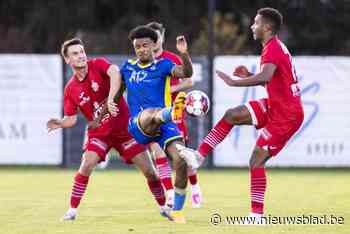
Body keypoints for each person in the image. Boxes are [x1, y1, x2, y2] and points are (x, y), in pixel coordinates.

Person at [181, 7, 304, 223]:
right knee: (232, 115)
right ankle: (199, 156)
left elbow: (266, 75)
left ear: (266, 27)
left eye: (255, 23)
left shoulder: (273, 48)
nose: (252, 26)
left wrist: (235, 82)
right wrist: (249, 75)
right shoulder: (271, 47)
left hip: (287, 114)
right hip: (277, 105)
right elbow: (270, 77)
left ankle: (257, 216)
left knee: (256, 161)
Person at [46, 38, 172, 221]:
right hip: (100, 134)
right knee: (86, 164)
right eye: (75, 53)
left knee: (150, 172)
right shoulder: (70, 89)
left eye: (81, 51)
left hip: (125, 131)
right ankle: (72, 210)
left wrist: (112, 98)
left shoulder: (97, 64)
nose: (81, 55)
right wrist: (60, 123)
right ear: (67, 60)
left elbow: (114, 73)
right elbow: (71, 119)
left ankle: (163, 207)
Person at [107, 26, 198, 223]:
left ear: (154, 45)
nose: (141, 50)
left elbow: (187, 72)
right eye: (137, 47)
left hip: (164, 125)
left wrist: (184, 54)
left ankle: (178, 212)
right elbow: (117, 92)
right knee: (150, 114)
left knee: (180, 162)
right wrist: (110, 104)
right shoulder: (127, 67)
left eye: (145, 46)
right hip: (138, 124)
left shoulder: (164, 65)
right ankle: (171, 112)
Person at [146, 21, 202, 208]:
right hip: (153, 115)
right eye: (149, 39)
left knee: (182, 157)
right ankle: (169, 194)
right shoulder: (143, 62)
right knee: (157, 152)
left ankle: (195, 187)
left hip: (174, 114)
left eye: (156, 37)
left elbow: (189, 82)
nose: (153, 42)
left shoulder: (171, 58)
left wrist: (169, 89)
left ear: (162, 37)